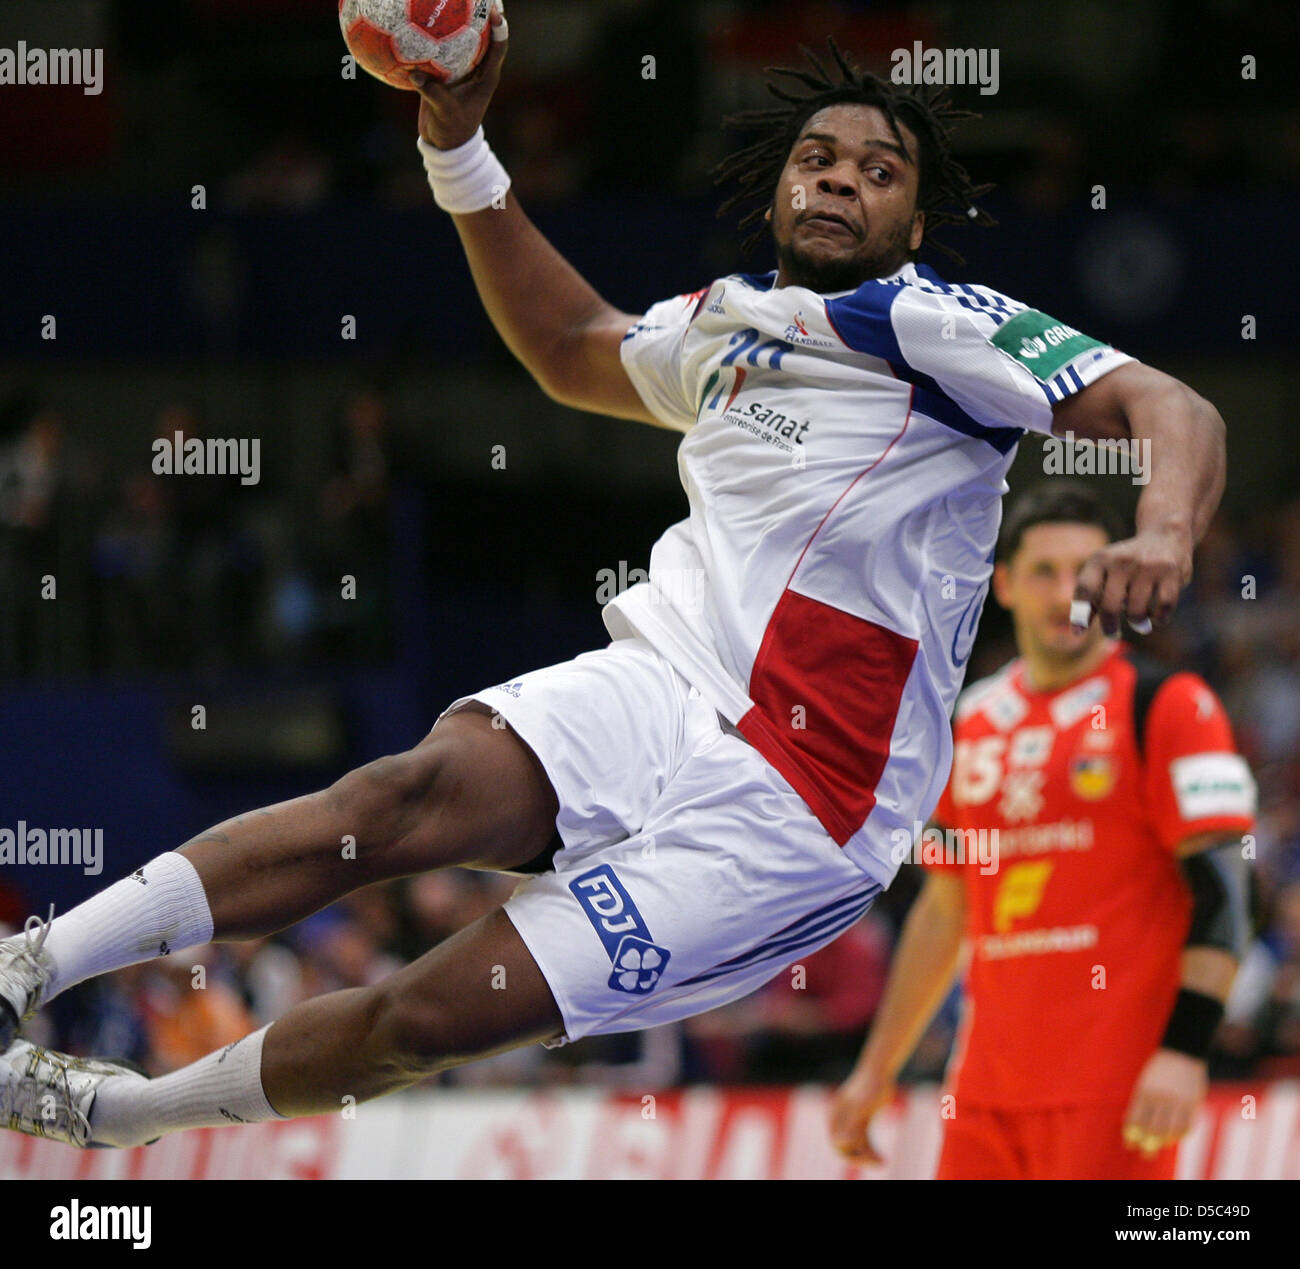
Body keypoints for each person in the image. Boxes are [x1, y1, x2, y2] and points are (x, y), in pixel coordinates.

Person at [0, 13, 1229, 1151]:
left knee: (423, 1017)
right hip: (659, 686)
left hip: (805, 805)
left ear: (911, 222)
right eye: (817, 155)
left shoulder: (936, 325)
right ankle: (32, 960)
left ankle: (123, 1115)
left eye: (877, 167)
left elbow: (1170, 406)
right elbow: (568, 347)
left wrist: (1163, 534)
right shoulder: (726, 323)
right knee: (400, 792)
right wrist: (459, 145)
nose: (840, 175)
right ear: (781, 183)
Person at [829, 483, 1256, 1179]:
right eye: (1045, 572)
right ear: (1002, 584)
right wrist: (875, 1069)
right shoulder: (967, 721)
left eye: (1087, 572)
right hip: (984, 1094)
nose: (1069, 594)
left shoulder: (1171, 704)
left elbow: (1226, 889)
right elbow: (945, 908)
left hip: (1117, 1090)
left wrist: (1185, 1050)